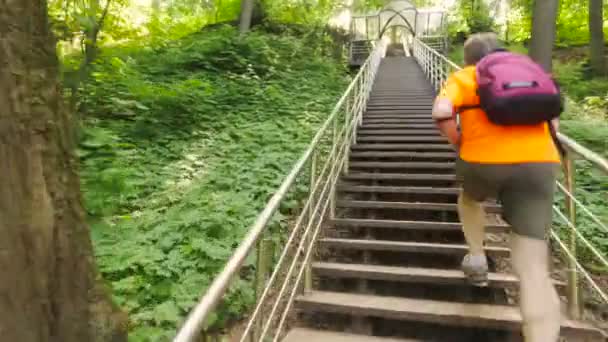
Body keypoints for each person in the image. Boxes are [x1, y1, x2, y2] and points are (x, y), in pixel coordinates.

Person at [432, 32, 562, 342]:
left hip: (481, 160)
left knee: (469, 199)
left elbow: (441, 111)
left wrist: (459, 142)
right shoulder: (532, 72)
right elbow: (555, 122)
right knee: (533, 270)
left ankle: (476, 255)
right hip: (539, 163)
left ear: (468, 58)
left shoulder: (466, 76)